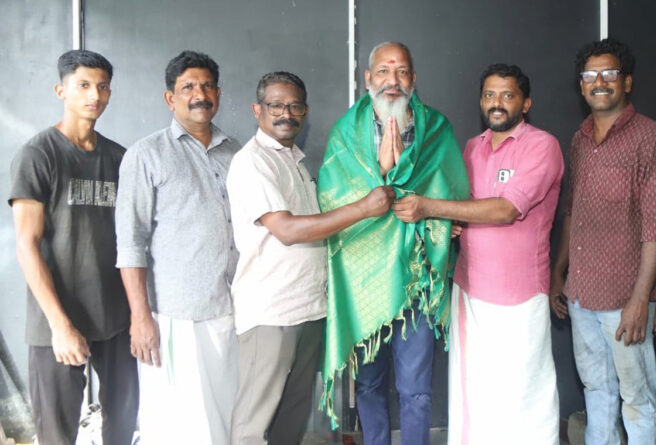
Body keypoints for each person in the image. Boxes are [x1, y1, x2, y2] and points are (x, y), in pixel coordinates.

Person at [394, 63, 564, 444]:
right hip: (469, 292)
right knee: (474, 395)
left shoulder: (542, 146)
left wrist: (430, 208)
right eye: (489, 95)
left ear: (526, 103)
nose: (496, 103)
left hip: (519, 297)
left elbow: (505, 210)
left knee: (523, 396)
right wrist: (452, 223)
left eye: (507, 95)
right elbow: (465, 204)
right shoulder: (473, 147)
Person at [227, 71, 395, 445]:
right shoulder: (252, 162)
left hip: (307, 309)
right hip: (271, 312)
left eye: (295, 106)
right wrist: (364, 209)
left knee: (291, 416)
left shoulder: (295, 162)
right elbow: (287, 230)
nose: (286, 114)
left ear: (305, 111)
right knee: (254, 422)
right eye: (275, 105)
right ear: (257, 110)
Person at [317, 41, 469, 445]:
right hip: (365, 281)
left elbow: (453, 194)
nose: (392, 80)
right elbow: (332, 199)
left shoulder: (435, 128)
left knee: (416, 390)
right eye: (383, 71)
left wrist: (442, 220)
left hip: (417, 279)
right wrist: (382, 175)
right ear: (368, 78)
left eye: (401, 71)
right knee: (368, 385)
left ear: (414, 79)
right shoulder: (347, 133)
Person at [9, 49, 138, 445]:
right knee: (56, 434)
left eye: (102, 86)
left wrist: (138, 314)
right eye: (83, 85)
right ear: (60, 90)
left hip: (115, 318)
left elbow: (133, 240)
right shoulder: (38, 154)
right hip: (59, 320)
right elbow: (27, 245)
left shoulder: (119, 158)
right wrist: (60, 325)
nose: (94, 95)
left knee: (123, 424)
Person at [549, 39, 656, 444]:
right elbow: (572, 211)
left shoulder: (650, 138)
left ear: (627, 82)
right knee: (596, 390)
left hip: (625, 299)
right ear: (581, 85)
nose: (599, 82)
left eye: (609, 73)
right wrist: (559, 273)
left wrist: (641, 300)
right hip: (581, 293)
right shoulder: (580, 139)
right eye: (590, 75)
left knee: (637, 397)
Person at [115, 50, 240, 444]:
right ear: (170, 98)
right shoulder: (146, 154)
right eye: (188, 87)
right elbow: (130, 241)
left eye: (207, 86)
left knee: (227, 420)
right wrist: (140, 318)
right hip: (175, 316)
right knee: (179, 426)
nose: (199, 94)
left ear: (218, 94)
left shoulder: (235, 152)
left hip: (232, 308)